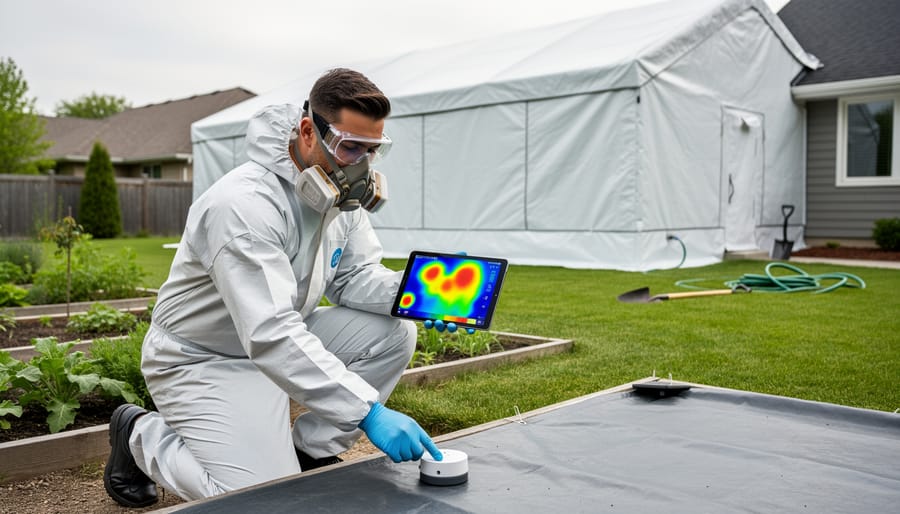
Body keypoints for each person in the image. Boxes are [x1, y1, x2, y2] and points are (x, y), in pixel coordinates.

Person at [103, 68, 442, 507]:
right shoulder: (243, 206)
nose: (360, 164)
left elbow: (354, 279)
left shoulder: (340, 197)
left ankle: (308, 454)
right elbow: (271, 331)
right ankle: (139, 436)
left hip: (272, 345)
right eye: (349, 147)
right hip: (203, 359)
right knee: (257, 501)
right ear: (307, 131)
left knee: (395, 331)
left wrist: (420, 296)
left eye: (372, 151)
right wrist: (368, 412)